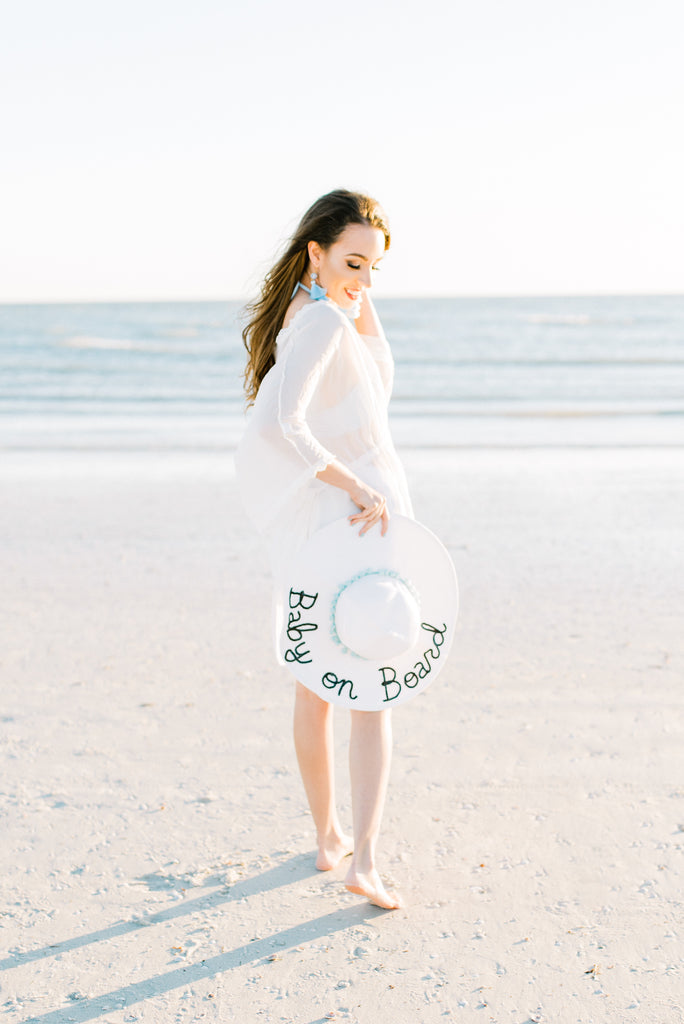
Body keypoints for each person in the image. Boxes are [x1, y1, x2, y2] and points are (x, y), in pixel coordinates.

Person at [235, 189, 413, 909]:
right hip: (358, 522)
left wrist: (352, 282)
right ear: (314, 249)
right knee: (371, 688)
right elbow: (282, 426)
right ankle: (360, 857)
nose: (364, 281)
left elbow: (375, 368)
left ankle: (331, 839)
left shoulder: (318, 315)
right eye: (352, 261)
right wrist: (358, 486)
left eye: (375, 267)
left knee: (321, 687)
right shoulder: (321, 325)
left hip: (342, 524)